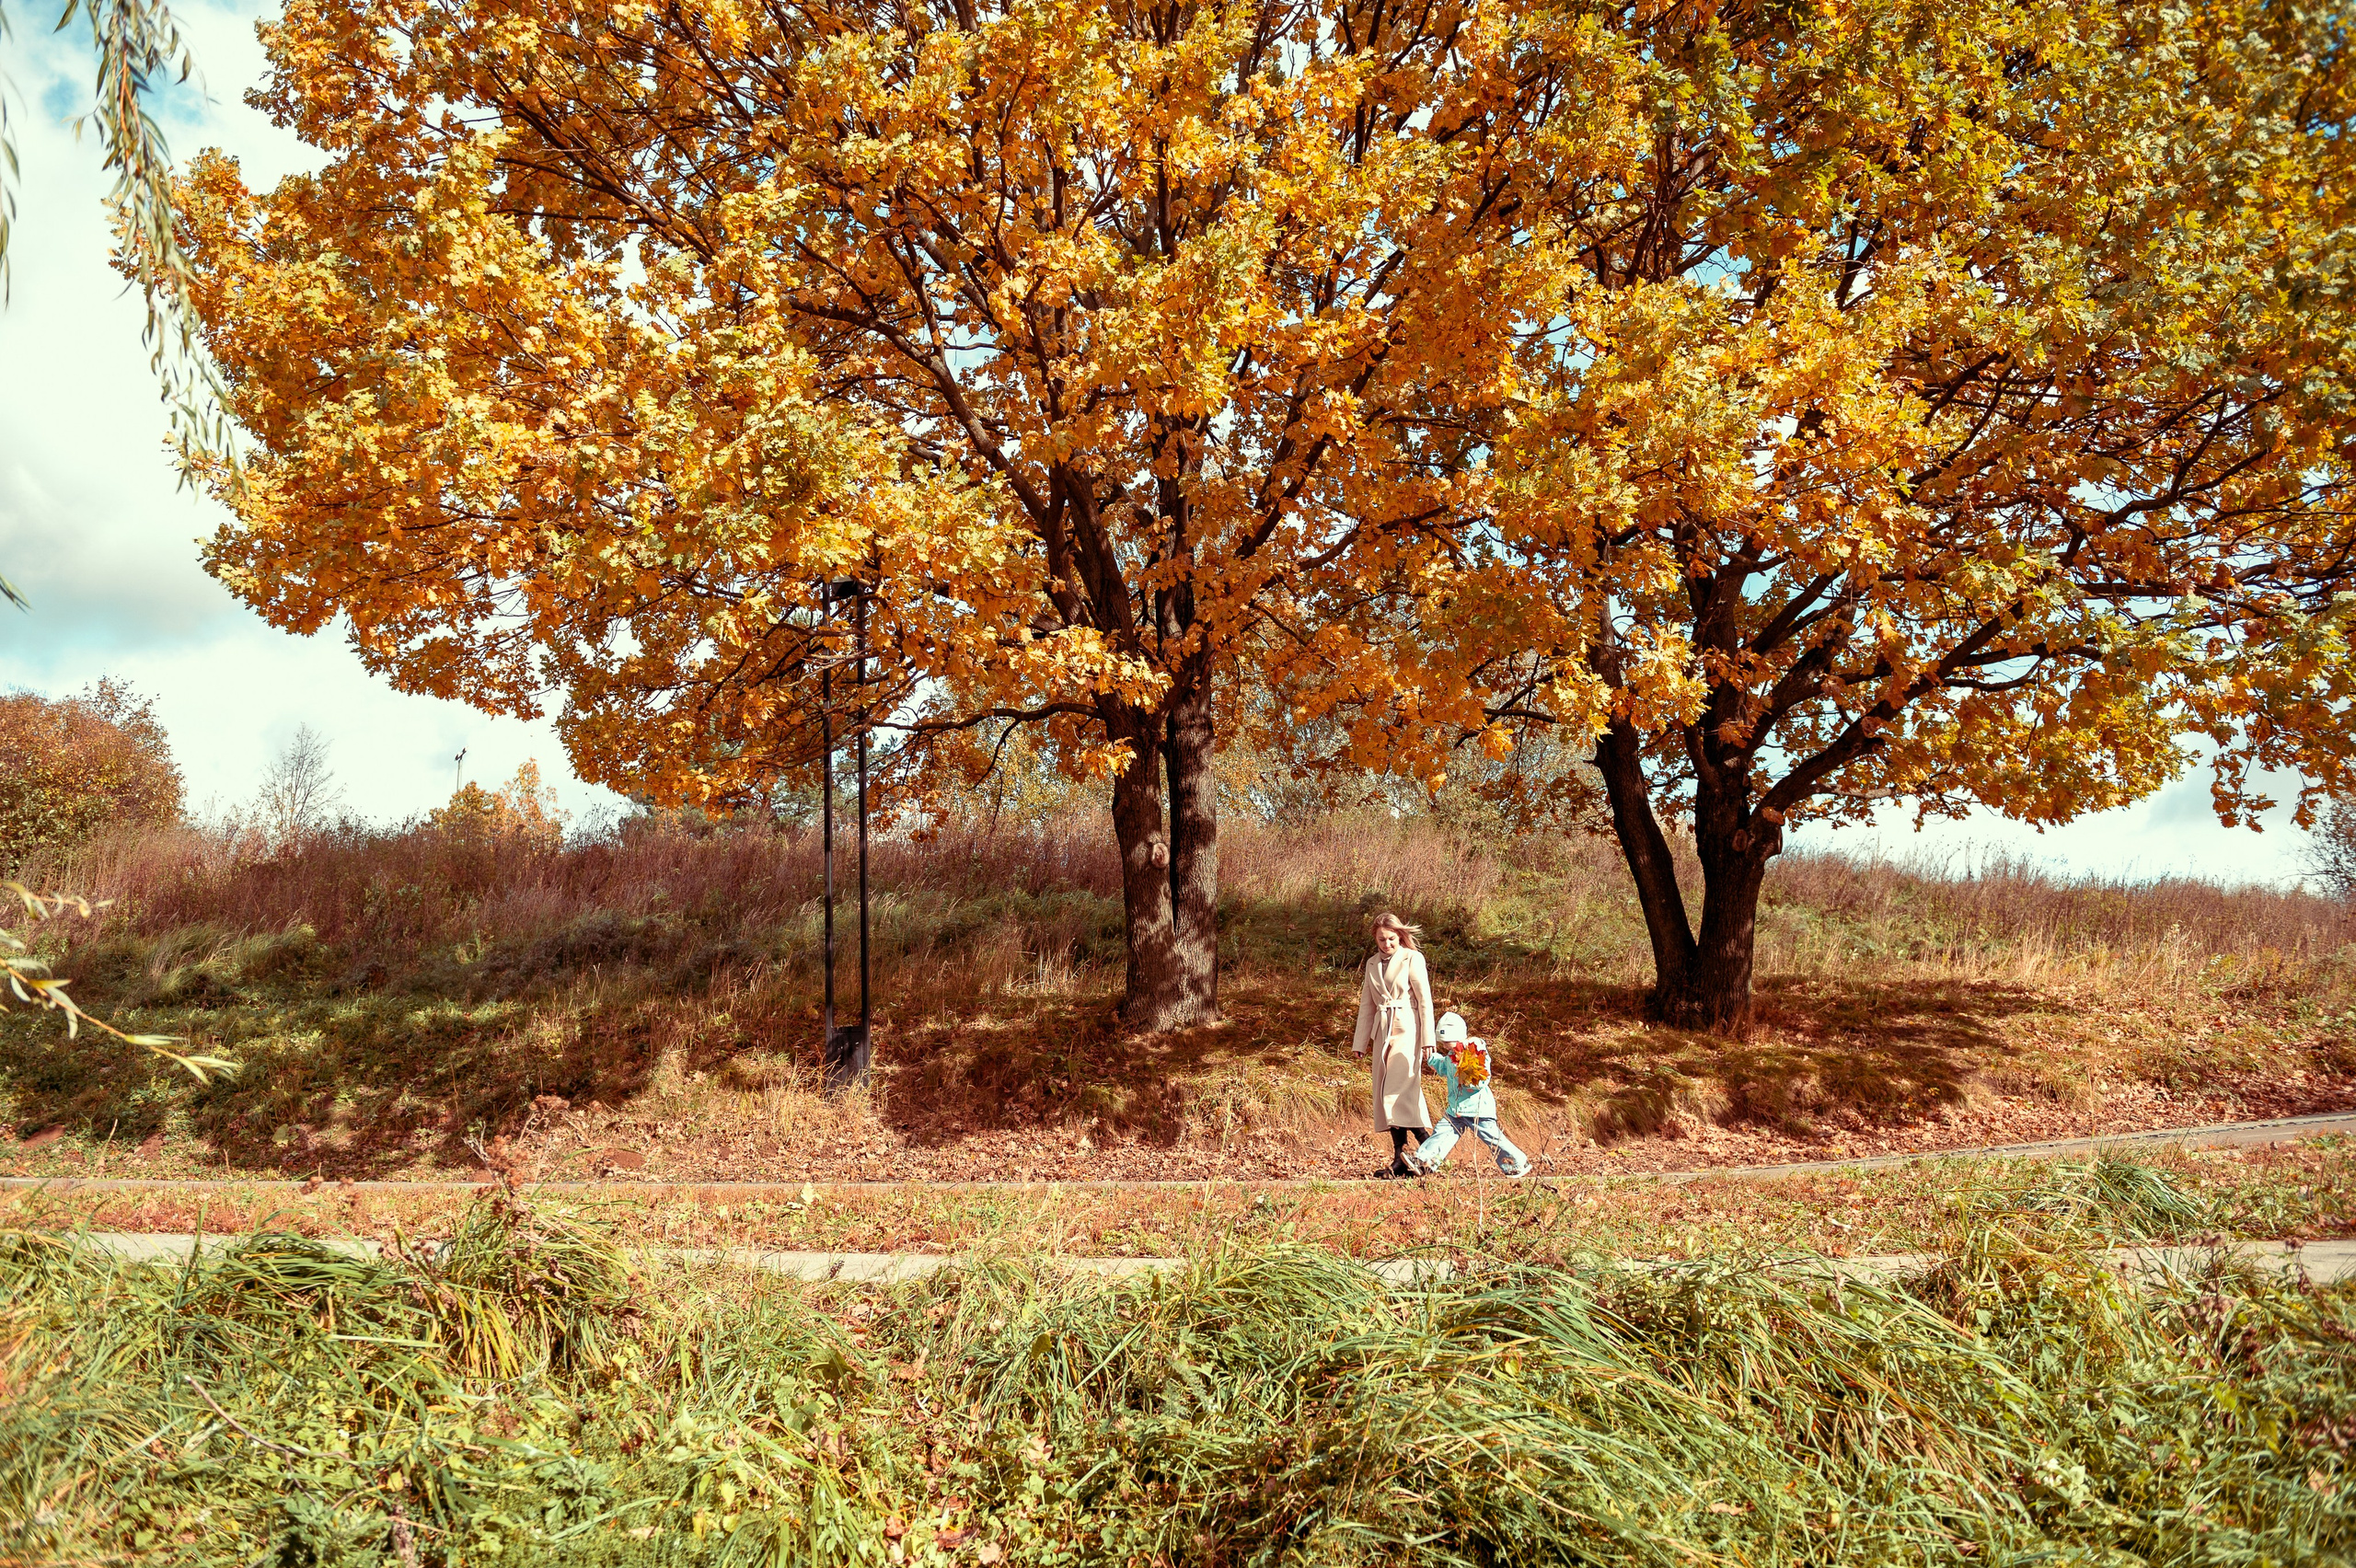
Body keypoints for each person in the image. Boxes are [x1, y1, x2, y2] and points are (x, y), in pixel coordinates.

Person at [1350, 911, 1435, 1177]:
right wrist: (1360, 1042)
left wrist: (1428, 1040)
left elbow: (1425, 1001)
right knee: (1387, 1095)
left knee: (1401, 1093)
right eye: (1381, 940)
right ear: (1375, 939)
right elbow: (1367, 1005)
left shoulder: (1413, 958)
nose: (1387, 944)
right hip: (1382, 1032)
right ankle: (1401, 1158)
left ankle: (1430, 1152)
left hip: (1408, 1029)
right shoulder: (1372, 964)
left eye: (1391, 939)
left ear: (1400, 936)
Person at [1417, 1011, 1530, 1178]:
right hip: (1456, 1109)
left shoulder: (1475, 1054)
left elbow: (1481, 1080)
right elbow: (1443, 1068)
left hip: (1477, 1109)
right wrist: (1432, 1058)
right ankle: (1425, 1161)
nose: (1447, 1047)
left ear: (1459, 1038)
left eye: (1449, 1043)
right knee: (1442, 1133)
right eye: (1444, 1044)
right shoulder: (1451, 1057)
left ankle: (1517, 1162)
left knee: (1492, 1138)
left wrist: (1468, 1076)